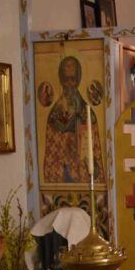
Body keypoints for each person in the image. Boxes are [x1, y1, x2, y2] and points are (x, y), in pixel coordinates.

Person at [43, 56, 103, 184]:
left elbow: (95, 152)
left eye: (73, 79)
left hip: (83, 179)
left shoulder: (87, 114)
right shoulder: (54, 115)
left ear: (78, 80)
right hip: (62, 179)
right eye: (66, 80)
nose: (70, 84)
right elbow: (50, 155)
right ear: (61, 80)